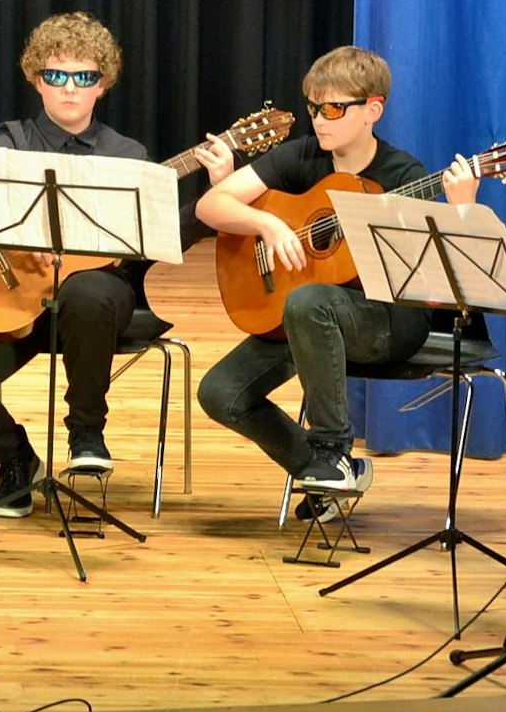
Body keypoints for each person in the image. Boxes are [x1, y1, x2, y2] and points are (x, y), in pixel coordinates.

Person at [0, 13, 210, 516]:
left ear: (103, 85)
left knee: (88, 290)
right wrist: (21, 233)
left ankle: (86, 432)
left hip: (95, 307)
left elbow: (151, 244)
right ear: (37, 80)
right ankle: (16, 461)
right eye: (57, 76)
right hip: (19, 297)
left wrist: (214, 185)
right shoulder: (9, 141)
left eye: (85, 77)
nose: (70, 90)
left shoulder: (129, 155)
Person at [194, 46, 477, 522]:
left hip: (387, 321)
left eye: (332, 109)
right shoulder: (305, 155)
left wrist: (462, 207)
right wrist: (270, 226)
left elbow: (451, 272)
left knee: (310, 301)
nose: (320, 121)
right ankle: (326, 476)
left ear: (373, 110)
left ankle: (334, 451)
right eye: (313, 108)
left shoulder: (401, 176)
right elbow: (211, 206)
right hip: (308, 314)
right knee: (220, 391)